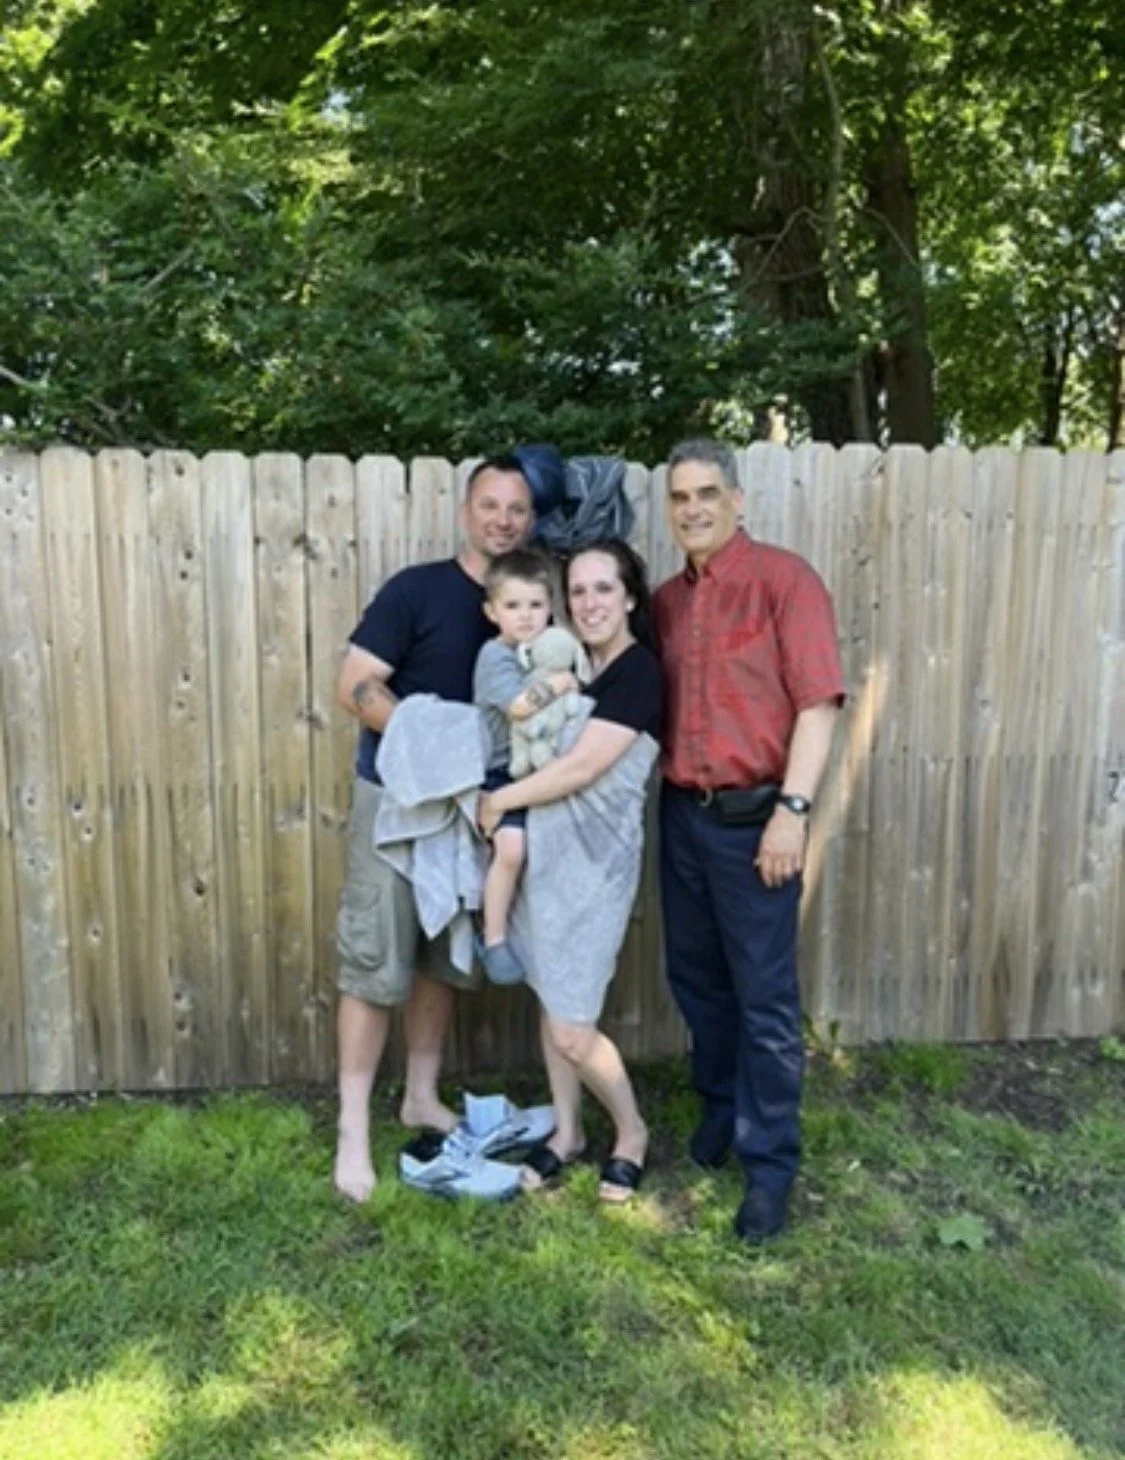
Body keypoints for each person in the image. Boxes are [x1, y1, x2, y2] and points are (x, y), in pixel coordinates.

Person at [652, 438, 845, 1242]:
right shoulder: (665, 601)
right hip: (680, 817)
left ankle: (769, 1165)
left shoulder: (783, 582)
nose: (692, 508)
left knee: (762, 996)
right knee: (697, 979)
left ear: (737, 500)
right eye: (678, 497)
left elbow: (818, 703)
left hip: (754, 820)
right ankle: (722, 1110)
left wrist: (791, 810)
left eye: (706, 493)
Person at [332, 455, 534, 1202]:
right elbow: (355, 685)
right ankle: (352, 1128)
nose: (503, 520)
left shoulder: (530, 609)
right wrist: (440, 745)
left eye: (517, 509)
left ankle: (420, 1095)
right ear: (466, 511)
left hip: (470, 812)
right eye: (490, 505)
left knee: (442, 955)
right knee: (374, 958)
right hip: (395, 801)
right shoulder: (415, 590)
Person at [478, 540, 662, 1204]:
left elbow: (582, 768)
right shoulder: (574, 665)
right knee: (550, 994)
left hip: (594, 872)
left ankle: (631, 1134)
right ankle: (566, 1132)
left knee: (573, 1027)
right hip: (545, 865)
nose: (588, 603)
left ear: (630, 597)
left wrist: (497, 800)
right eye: (577, 591)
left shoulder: (640, 673)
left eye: (602, 589)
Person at [472, 549, 580, 986]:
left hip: (546, 769)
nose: (525, 616)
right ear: (491, 611)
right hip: (503, 772)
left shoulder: (552, 651)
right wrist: (558, 684)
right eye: (512, 606)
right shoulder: (494, 655)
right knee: (511, 849)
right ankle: (493, 938)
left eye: (536, 605)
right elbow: (518, 708)